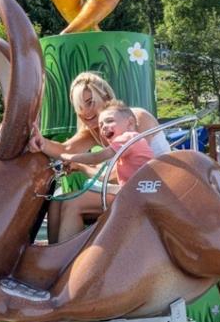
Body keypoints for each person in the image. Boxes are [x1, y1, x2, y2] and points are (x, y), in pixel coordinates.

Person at [29, 72, 168, 242]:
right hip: (132, 188)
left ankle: (70, 264)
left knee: (74, 204)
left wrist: (77, 162)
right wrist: (40, 141)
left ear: (106, 97)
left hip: (154, 188)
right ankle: (51, 258)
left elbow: (123, 173)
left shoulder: (133, 120)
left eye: (90, 103)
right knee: (57, 201)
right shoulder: (99, 131)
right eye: (80, 107)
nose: (85, 112)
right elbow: (65, 148)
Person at [37, 101, 154, 242]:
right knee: (57, 201)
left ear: (129, 123)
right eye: (101, 125)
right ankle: (53, 251)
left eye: (109, 121)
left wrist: (63, 156)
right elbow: (106, 176)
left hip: (139, 198)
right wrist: (79, 166)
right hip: (130, 196)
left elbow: (96, 157)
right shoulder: (124, 151)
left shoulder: (129, 138)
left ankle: (68, 256)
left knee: (74, 203)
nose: (104, 127)